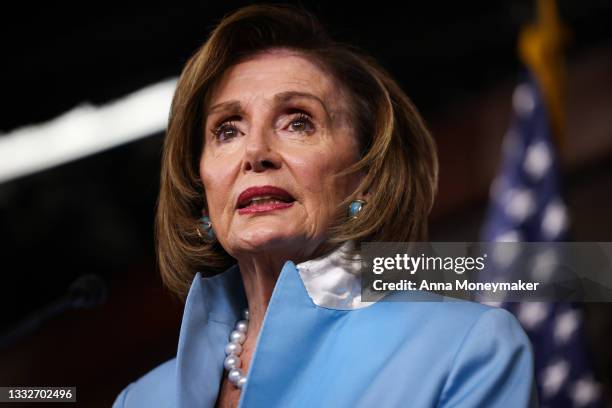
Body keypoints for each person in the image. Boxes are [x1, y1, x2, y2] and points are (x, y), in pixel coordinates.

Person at [113, 4, 537, 408]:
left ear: (365, 179)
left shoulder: (464, 351)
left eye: (298, 122)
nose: (256, 151)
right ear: (201, 187)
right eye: (227, 130)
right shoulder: (140, 400)